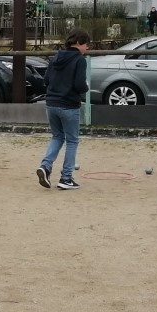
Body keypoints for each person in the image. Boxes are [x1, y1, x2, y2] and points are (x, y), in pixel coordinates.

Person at [36, 28, 90, 191]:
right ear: (79, 43)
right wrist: (85, 87)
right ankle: (66, 177)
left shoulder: (56, 56)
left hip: (51, 103)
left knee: (57, 136)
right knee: (72, 140)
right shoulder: (80, 60)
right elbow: (79, 85)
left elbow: (46, 80)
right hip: (69, 105)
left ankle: (45, 166)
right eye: (87, 45)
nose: (87, 48)